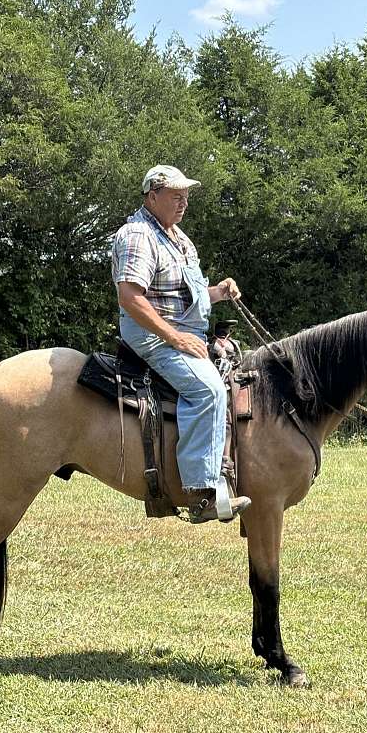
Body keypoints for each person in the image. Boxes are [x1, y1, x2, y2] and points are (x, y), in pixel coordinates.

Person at [111, 165, 251, 523]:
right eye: (176, 195)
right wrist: (174, 337)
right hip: (152, 336)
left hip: (181, 330)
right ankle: (201, 492)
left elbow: (184, 294)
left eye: (186, 195)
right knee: (209, 390)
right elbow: (130, 297)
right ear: (152, 195)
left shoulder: (178, 238)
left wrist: (218, 292)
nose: (184, 201)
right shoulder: (138, 235)